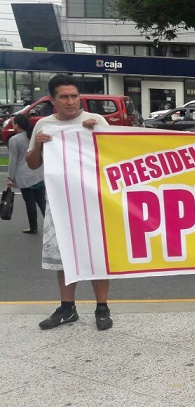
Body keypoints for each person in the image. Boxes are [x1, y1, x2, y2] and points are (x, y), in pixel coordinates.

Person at [26, 74, 113, 331]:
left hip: (94, 200)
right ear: (53, 100)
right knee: (63, 256)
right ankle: (67, 308)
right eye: (64, 97)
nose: (71, 101)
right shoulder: (45, 125)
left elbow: (114, 157)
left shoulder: (96, 121)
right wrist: (38, 146)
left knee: (97, 255)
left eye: (74, 96)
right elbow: (32, 164)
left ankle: (102, 307)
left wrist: (97, 136)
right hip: (59, 201)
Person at [6, 114, 45, 234]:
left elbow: (13, 161)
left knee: (30, 202)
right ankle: (53, 224)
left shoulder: (14, 140)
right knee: (42, 201)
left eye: (14, 123)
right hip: (39, 173)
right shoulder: (34, 136)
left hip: (24, 177)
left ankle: (33, 227)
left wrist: (10, 177)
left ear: (17, 125)